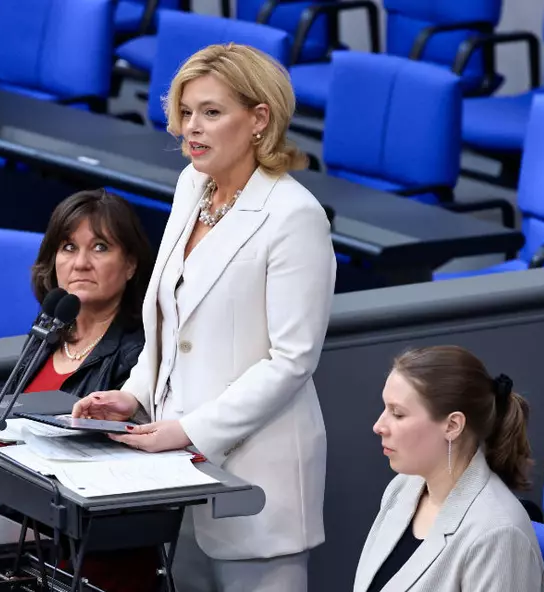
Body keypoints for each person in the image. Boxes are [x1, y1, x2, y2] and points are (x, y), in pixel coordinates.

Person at [72, 43, 336, 591]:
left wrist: (189, 431)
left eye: (211, 113)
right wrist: (136, 393)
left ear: (259, 118)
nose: (192, 128)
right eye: (187, 113)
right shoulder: (192, 186)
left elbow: (291, 362)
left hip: (256, 484)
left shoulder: (295, 217)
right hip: (178, 476)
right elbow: (169, 319)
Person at [0, 188, 159, 591]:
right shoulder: (49, 331)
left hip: (88, 565)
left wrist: (3, 502)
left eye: (100, 247)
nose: (81, 263)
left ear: (130, 265)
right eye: (68, 247)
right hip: (22, 543)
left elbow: (111, 485)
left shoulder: (139, 355)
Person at [354, 346, 544, 592]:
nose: (379, 426)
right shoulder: (403, 488)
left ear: (453, 425)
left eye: (397, 414)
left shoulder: (499, 535)